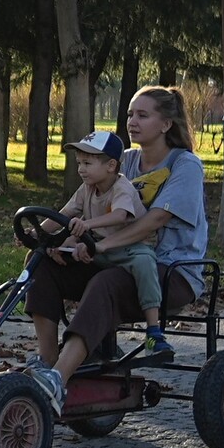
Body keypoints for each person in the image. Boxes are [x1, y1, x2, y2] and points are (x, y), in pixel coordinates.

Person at [24, 86, 208, 414]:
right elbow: (78, 205)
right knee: (41, 264)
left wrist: (100, 245)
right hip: (113, 259)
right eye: (130, 115)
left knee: (107, 282)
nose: (132, 122)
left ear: (165, 124)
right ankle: (47, 362)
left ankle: (58, 380)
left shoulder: (186, 165)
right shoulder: (123, 162)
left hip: (170, 272)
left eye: (143, 115)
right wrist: (44, 236)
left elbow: (156, 218)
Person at [56, 130, 172, 357]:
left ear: (110, 166)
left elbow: (120, 215)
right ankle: (57, 346)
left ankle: (153, 331)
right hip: (100, 246)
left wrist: (87, 225)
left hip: (131, 247)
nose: (81, 169)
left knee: (145, 263)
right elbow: (66, 213)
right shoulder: (86, 188)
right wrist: (39, 230)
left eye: (87, 163)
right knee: (58, 254)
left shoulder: (122, 187)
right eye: (79, 163)